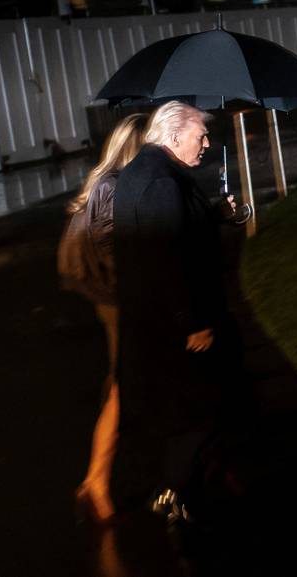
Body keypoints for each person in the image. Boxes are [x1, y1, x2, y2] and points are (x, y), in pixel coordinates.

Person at [110, 101, 244, 521]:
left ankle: (178, 490)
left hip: (149, 321)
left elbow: (172, 234)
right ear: (172, 137)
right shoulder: (162, 183)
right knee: (199, 410)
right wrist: (193, 323)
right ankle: (173, 495)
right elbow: (166, 258)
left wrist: (215, 214)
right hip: (173, 325)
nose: (207, 143)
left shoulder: (138, 174)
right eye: (200, 136)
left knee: (177, 410)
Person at [70, 113, 149, 524]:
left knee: (123, 387)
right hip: (121, 302)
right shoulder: (114, 190)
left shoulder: (103, 184)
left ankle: (95, 480)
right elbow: (118, 256)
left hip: (113, 301)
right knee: (122, 391)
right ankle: (97, 481)